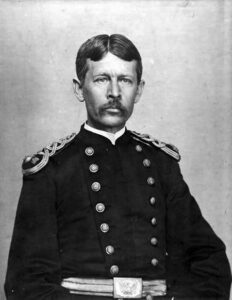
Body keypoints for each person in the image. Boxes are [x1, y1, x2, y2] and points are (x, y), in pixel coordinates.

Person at [4, 34, 231, 300]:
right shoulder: (51, 170)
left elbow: (209, 260)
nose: (114, 92)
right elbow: (27, 281)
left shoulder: (161, 164)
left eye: (125, 80)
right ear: (79, 88)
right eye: (102, 79)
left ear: (139, 89)